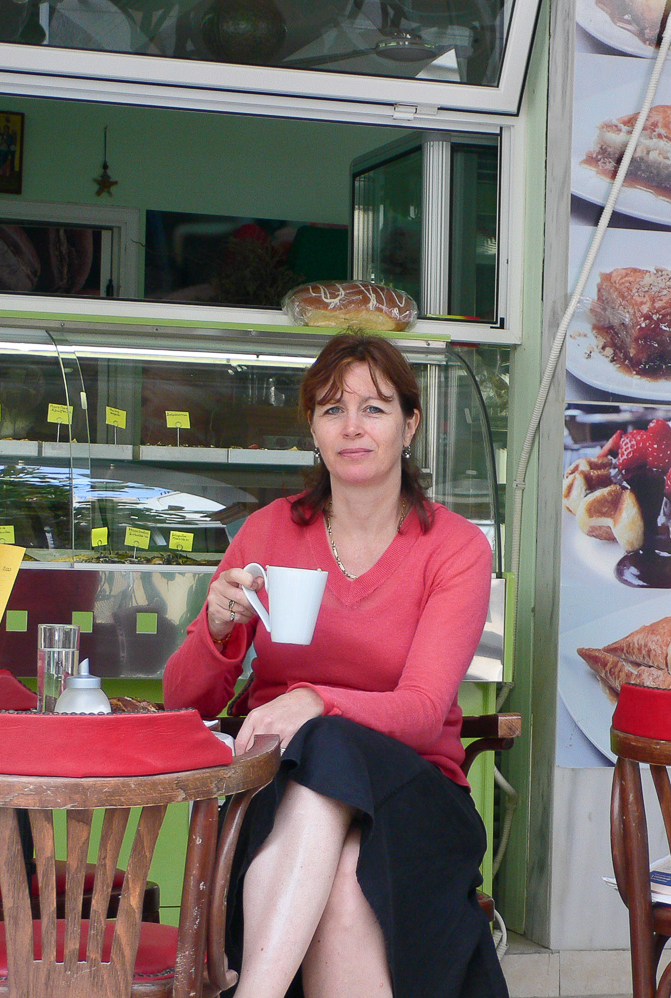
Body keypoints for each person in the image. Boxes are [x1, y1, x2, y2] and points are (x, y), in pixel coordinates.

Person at [164, 331, 507, 998]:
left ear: (409, 425)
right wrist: (217, 626)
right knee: (349, 885)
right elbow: (186, 699)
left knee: (330, 743)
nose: (352, 427)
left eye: (374, 409)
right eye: (331, 409)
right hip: (279, 793)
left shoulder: (455, 549)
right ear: (314, 432)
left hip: (416, 797)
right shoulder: (268, 531)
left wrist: (316, 702)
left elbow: (420, 712)